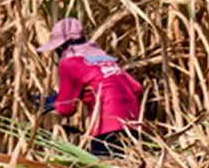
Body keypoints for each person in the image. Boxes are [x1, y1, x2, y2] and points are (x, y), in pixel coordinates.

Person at [34, 17, 145, 157]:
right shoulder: (105, 59)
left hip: (106, 125)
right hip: (133, 123)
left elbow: (66, 108)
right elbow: (136, 88)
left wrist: (53, 103)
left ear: (61, 46)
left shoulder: (69, 63)